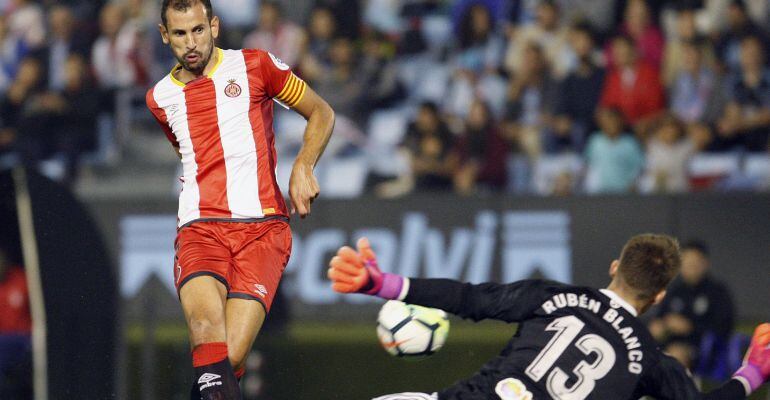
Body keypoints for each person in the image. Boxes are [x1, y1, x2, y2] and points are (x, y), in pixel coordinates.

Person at [145, 1, 335, 399]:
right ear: (165, 36)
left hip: (263, 229)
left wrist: (303, 165)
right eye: (179, 34)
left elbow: (321, 113)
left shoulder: (257, 65)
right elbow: (190, 153)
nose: (190, 43)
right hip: (200, 228)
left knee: (227, 359)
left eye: (198, 30)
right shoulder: (160, 98)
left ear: (213, 25)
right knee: (203, 330)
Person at [327, 235, 770, 399]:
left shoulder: (552, 296)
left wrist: (383, 285)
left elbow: (471, 298)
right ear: (657, 296)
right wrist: (751, 373)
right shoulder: (648, 361)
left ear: (615, 268)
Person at [648, 240, 735, 370]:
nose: (691, 267)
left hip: (704, 350)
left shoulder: (717, 292)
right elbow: (659, 317)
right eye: (687, 263)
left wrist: (691, 327)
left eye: (695, 263)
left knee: (675, 355)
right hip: (669, 344)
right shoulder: (674, 290)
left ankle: (678, 390)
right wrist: (660, 326)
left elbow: (723, 326)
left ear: (705, 263)